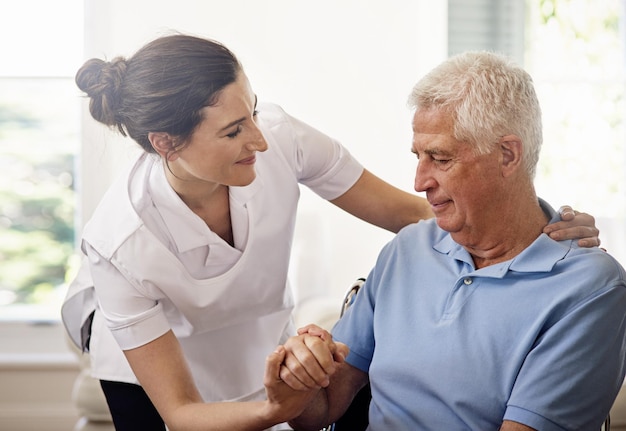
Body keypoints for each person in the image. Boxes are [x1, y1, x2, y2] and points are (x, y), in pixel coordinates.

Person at [60, 33, 600, 431]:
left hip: (252, 335)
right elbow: (182, 413)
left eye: (250, 110)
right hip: (154, 365)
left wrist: (544, 226)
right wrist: (277, 409)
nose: (260, 138)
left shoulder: (278, 136)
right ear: (165, 143)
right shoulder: (119, 242)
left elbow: (419, 214)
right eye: (233, 130)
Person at [271, 51, 626, 431]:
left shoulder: (589, 290)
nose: (419, 181)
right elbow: (321, 410)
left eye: (440, 159)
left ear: (507, 155)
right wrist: (297, 377)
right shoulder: (406, 251)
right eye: (418, 156)